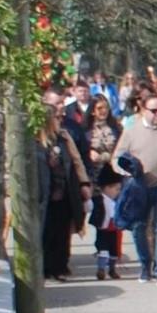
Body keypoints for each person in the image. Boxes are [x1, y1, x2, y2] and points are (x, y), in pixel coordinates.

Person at [111, 91, 157, 284]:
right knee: (139, 227)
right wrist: (125, 171)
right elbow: (117, 157)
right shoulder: (132, 131)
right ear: (143, 110)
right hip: (138, 188)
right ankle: (145, 265)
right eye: (154, 111)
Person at [38, 106, 90, 280]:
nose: (61, 120)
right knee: (46, 232)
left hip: (65, 191)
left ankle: (59, 267)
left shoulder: (64, 137)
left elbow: (77, 161)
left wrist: (84, 183)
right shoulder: (34, 140)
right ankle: (45, 268)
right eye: (57, 117)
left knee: (62, 233)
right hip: (44, 194)